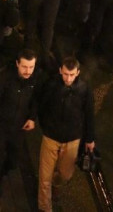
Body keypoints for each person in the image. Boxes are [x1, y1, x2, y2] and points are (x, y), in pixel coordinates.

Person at [0, 49, 40, 212]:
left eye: (31, 67)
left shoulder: (34, 79)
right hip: (1, 128)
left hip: (18, 130)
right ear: (17, 64)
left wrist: (32, 117)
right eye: (24, 67)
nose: (28, 71)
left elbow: (35, 99)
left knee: (13, 162)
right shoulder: (4, 78)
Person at [37, 56, 95, 212]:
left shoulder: (84, 89)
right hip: (51, 136)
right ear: (60, 71)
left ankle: (56, 185)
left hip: (72, 138)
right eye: (65, 74)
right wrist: (45, 125)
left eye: (71, 75)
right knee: (44, 177)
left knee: (65, 174)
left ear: (77, 73)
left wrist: (89, 138)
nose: (68, 78)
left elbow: (89, 113)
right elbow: (41, 105)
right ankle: (45, 207)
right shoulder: (51, 85)